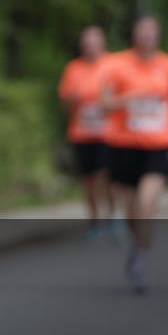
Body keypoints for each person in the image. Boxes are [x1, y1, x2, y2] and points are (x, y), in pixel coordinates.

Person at [101, 16, 168, 294]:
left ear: (158, 37)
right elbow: (103, 103)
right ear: (134, 36)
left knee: (146, 203)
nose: (147, 38)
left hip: (160, 143)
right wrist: (129, 99)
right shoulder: (116, 64)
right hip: (124, 143)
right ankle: (138, 245)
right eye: (142, 33)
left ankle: (140, 256)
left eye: (152, 33)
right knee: (131, 210)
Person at [58, 26, 115, 238]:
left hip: (107, 133)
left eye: (94, 43)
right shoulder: (74, 69)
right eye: (86, 43)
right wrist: (74, 97)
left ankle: (111, 214)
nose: (90, 47)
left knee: (105, 176)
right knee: (88, 180)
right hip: (81, 133)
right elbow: (64, 101)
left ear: (102, 44)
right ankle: (94, 220)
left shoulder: (113, 64)